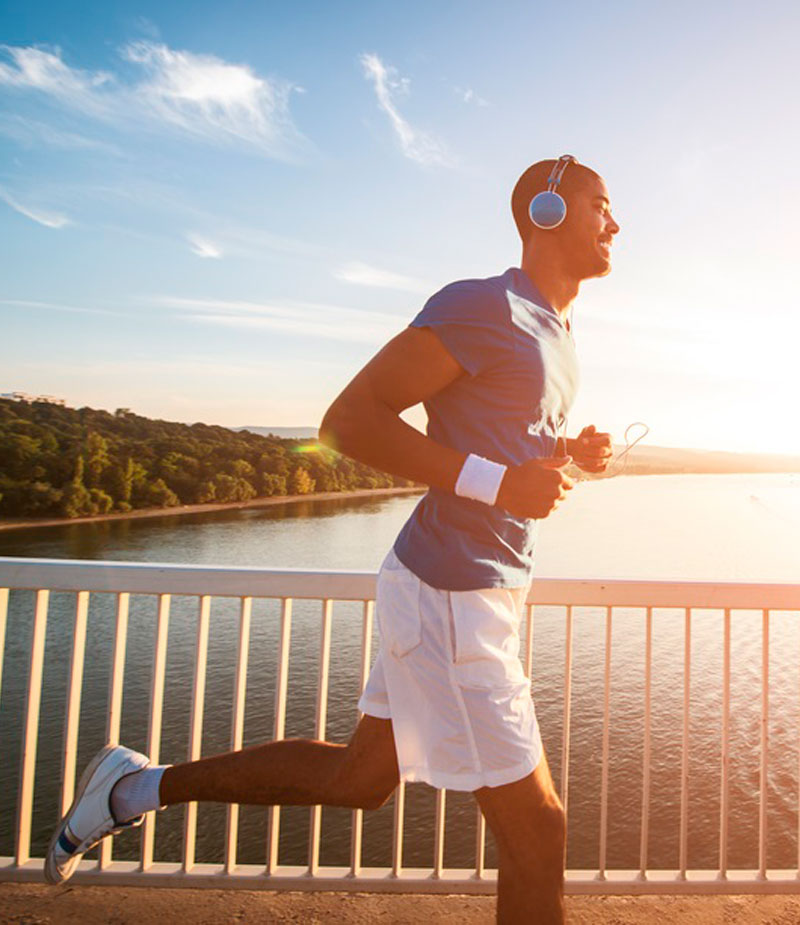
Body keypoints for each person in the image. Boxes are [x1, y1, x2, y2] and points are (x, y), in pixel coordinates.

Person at [46, 155, 618, 925]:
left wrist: (568, 452)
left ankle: (132, 787)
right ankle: (130, 788)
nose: (615, 223)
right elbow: (348, 422)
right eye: (600, 204)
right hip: (452, 593)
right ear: (546, 212)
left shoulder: (558, 332)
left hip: (476, 588)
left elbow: (502, 448)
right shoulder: (484, 306)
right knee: (538, 829)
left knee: (360, 779)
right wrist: (497, 483)